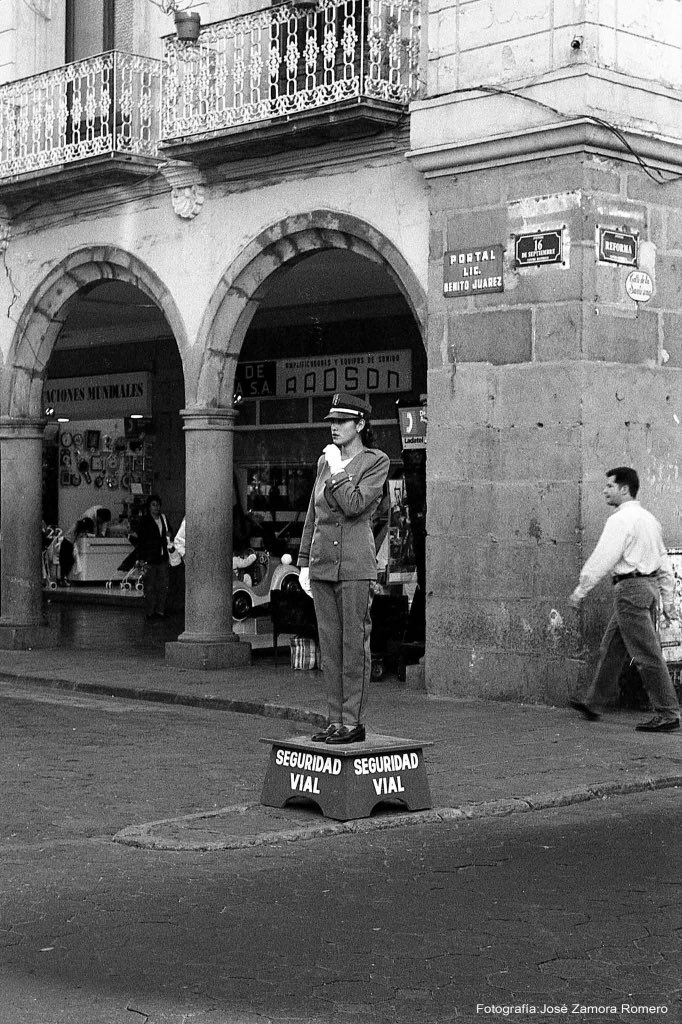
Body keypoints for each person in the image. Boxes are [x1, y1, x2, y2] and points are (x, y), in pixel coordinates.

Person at [298, 391, 390, 745]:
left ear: (361, 424)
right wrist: (305, 560)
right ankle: (334, 720)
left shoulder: (375, 461)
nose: (334, 428)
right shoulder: (325, 462)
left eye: (341, 422)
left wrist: (337, 468)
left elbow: (354, 505)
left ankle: (352, 722)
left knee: (354, 645)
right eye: (332, 422)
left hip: (354, 564)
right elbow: (313, 514)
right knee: (330, 646)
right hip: (323, 563)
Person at [568, 466, 681, 732]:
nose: (605, 490)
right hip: (647, 587)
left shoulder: (620, 520)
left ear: (624, 489)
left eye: (610, 486)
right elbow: (663, 562)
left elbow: (603, 557)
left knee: (646, 653)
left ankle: (668, 712)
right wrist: (668, 600)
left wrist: (580, 590)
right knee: (612, 647)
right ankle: (594, 702)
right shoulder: (649, 520)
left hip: (629, 590)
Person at [129, 494, 174, 620]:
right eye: (153, 505)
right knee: (149, 586)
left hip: (162, 557)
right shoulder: (145, 521)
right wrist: (142, 558)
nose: (156, 508)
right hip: (149, 557)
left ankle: (160, 611)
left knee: (163, 585)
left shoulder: (163, 519)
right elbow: (141, 540)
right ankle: (150, 611)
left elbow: (169, 533)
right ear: (149, 507)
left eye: (158, 505)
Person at [58, 518, 91, 585]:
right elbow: (79, 536)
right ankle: (64, 579)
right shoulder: (78, 529)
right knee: (67, 562)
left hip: (66, 543)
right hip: (68, 544)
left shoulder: (77, 525)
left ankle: (63, 579)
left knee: (66, 562)